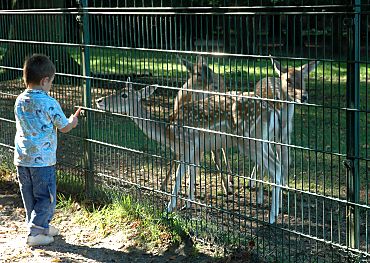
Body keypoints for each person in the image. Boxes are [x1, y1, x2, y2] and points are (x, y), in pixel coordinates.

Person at [13, 54, 80, 246]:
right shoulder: (49, 102)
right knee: (46, 197)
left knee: (29, 195)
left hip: (22, 159)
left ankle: (39, 225)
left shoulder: (20, 100)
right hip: (42, 161)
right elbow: (64, 127)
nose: (50, 85)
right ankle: (35, 234)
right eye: (51, 81)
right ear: (44, 81)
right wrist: (72, 121)